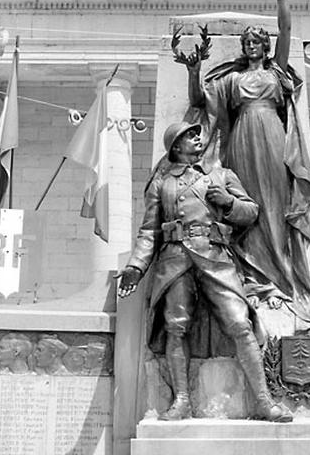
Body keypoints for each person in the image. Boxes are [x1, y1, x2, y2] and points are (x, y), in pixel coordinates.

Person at [175, 0, 310, 327]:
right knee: (247, 208)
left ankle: (283, 278)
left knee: (274, 205)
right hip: (240, 140)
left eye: (257, 41)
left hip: (272, 139)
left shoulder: (275, 72)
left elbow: (286, 29)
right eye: (247, 42)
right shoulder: (232, 80)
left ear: (265, 47)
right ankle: (253, 277)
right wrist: (194, 70)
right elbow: (198, 102)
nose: (251, 45)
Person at [117, 121, 292, 422]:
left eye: (198, 134)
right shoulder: (162, 182)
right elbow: (149, 232)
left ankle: (264, 401)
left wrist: (228, 203)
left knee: (239, 322)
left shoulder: (221, 175)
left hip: (215, 256)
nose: (197, 138)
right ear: (175, 146)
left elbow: (251, 212)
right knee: (176, 326)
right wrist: (136, 266)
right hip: (175, 258)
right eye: (189, 135)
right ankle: (181, 400)